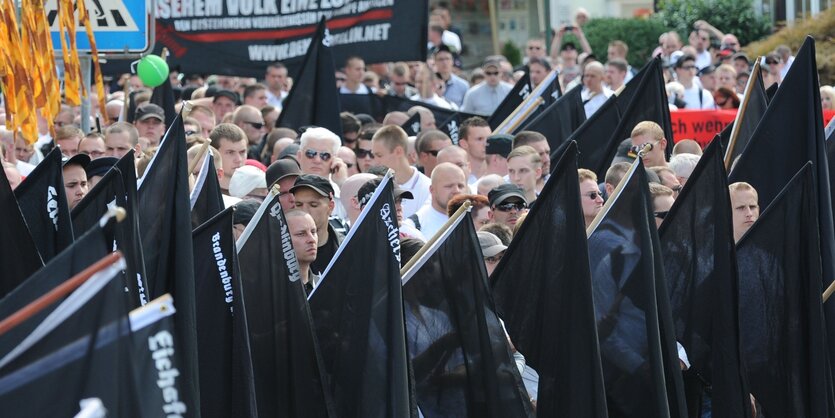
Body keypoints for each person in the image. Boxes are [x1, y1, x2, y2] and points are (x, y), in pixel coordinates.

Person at [371, 125, 431, 218]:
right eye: (374, 156)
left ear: (398, 151)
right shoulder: (374, 186)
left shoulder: (427, 188)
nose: (375, 162)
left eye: (379, 155)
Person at [290, 174, 343, 275]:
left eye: (313, 205)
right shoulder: (281, 250)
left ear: (330, 207)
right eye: (298, 205)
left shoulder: (346, 249)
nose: (305, 211)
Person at [405, 162, 466, 238]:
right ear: (432, 190)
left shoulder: (475, 219)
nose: (456, 190)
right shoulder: (414, 226)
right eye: (449, 186)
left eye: (460, 186)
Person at [285, 209, 320, 293]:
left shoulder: (324, 285)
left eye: (313, 232)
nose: (312, 239)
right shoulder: (272, 291)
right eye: (301, 234)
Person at [209, 123, 248, 194]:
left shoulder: (256, 191)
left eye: (242, 152)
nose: (239, 159)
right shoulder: (204, 194)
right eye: (230, 152)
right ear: (214, 154)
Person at [458, 117, 490, 184]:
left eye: (489, 138)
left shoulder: (500, 172)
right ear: (464, 144)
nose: (486, 144)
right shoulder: (456, 177)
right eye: (480, 139)